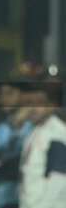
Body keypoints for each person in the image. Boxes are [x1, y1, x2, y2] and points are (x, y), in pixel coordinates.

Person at [19, 77, 66, 208]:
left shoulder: (57, 133)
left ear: (51, 105)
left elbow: (59, 179)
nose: (33, 108)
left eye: (39, 103)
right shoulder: (32, 133)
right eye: (29, 103)